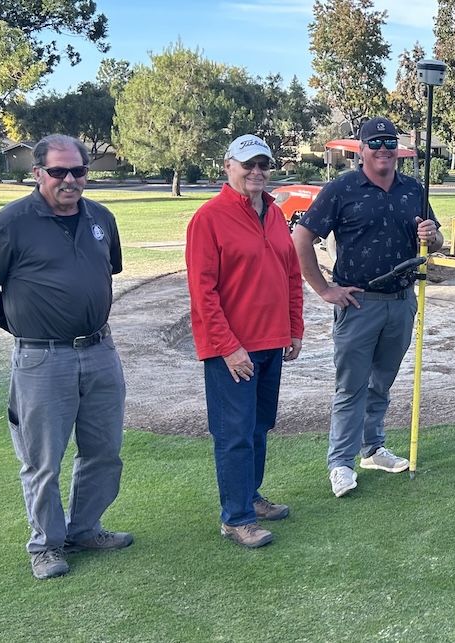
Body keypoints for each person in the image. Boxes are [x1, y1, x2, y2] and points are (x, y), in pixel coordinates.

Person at [0, 134, 132, 580]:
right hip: (42, 360)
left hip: (100, 351)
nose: (70, 180)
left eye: (78, 171)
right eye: (59, 171)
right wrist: (22, 325)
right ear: (37, 173)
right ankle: (46, 545)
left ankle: (85, 529)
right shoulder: (8, 224)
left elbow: (107, 268)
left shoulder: (101, 217)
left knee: (104, 451)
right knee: (43, 460)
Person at [292, 117, 443, 498]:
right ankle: (340, 463)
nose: (383, 149)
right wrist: (325, 289)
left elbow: (435, 240)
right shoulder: (342, 188)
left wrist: (432, 236)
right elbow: (302, 237)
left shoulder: (413, 189)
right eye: (375, 143)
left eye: (389, 142)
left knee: (381, 383)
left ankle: (372, 448)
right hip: (358, 304)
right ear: (361, 150)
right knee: (351, 387)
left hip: (401, 302)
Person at [186, 134, 304, 548]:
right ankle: (235, 518)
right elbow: (203, 293)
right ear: (228, 166)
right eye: (248, 164)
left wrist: (294, 327)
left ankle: (249, 498)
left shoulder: (273, 213)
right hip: (232, 348)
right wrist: (228, 347)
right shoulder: (209, 218)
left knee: (257, 427)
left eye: (263, 165)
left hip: (272, 340)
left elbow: (290, 272)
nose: (256, 172)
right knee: (233, 431)